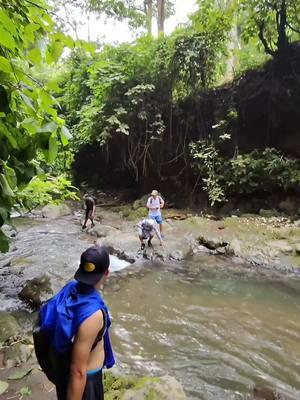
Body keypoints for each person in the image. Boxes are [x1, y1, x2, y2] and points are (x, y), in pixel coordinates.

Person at [34, 245, 114, 400]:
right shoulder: (93, 315)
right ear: (107, 273)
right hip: (85, 382)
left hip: (62, 370)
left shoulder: (70, 288)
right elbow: (77, 371)